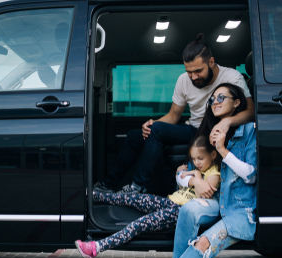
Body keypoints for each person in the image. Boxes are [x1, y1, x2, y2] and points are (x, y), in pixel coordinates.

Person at [110, 83, 257, 258]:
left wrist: (222, 149)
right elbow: (181, 173)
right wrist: (196, 179)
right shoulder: (205, 132)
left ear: (237, 102)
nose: (215, 102)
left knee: (203, 242)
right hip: (215, 200)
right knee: (188, 209)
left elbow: (250, 175)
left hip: (239, 209)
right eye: (212, 99)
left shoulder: (248, 130)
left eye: (222, 97)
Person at [94, 33, 254, 196]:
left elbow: (251, 112)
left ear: (211, 62)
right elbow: (173, 116)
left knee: (156, 130)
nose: (194, 77)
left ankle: (138, 188)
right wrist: (152, 124)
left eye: (198, 71)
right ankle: (108, 185)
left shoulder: (232, 77)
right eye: (189, 72)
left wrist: (227, 122)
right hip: (194, 129)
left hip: (214, 131)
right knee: (135, 136)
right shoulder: (184, 80)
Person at [75, 135, 221, 258]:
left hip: (180, 211)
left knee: (139, 224)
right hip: (170, 201)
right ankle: (93, 196)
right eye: (194, 159)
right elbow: (182, 184)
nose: (197, 162)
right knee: (132, 198)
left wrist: (194, 175)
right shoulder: (197, 169)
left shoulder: (214, 174)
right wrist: (189, 176)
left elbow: (204, 194)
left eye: (200, 158)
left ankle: (96, 247)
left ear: (213, 155)